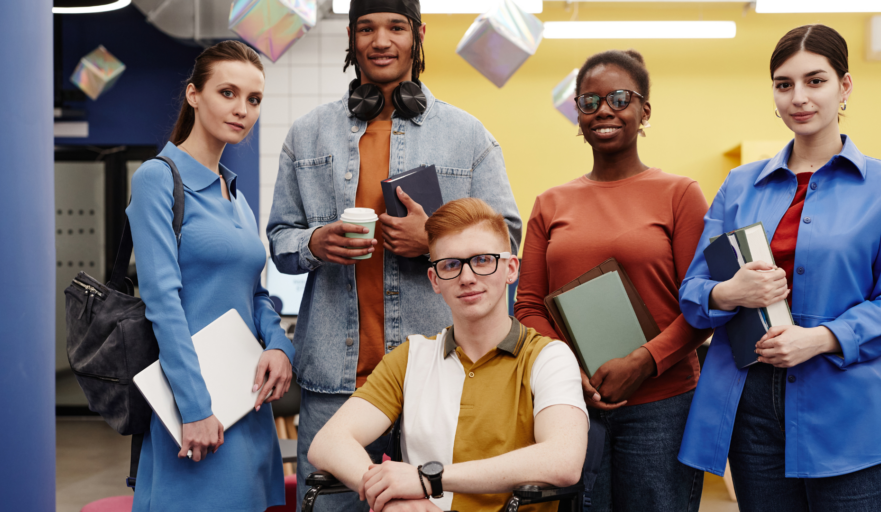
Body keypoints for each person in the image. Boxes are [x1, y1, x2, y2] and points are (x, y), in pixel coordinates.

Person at [266, 0, 521, 508]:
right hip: (334, 382)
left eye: (396, 27)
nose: (381, 40)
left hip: (434, 373)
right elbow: (280, 239)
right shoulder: (306, 134)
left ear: (418, 35)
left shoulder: (467, 134)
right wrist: (314, 243)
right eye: (366, 28)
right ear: (352, 39)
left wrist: (436, 241)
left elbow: (508, 239)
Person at [677, 25, 881, 511]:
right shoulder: (739, 185)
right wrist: (732, 292)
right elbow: (694, 291)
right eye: (784, 84)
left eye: (816, 81)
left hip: (848, 408)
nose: (799, 97)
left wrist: (820, 338)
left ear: (845, 86)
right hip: (751, 407)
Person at [513, 49, 711, 511]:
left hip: (664, 406)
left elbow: (702, 309)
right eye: (589, 101)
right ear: (577, 116)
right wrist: (570, 374)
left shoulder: (680, 195)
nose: (604, 110)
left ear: (644, 111)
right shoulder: (550, 203)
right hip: (573, 404)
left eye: (620, 98)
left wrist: (642, 362)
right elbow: (527, 307)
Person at [308, 198, 588, 512]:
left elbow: (564, 460)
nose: (467, 277)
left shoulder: (549, 357)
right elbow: (329, 441)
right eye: (451, 265)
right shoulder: (411, 356)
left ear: (511, 269)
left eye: (483, 260)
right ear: (435, 281)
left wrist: (429, 479)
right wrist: (394, 496)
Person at [126, 41, 296, 512]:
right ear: (194, 95)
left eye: (254, 99)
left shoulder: (233, 194)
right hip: (194, 405)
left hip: (246, 402)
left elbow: (256, 293)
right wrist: (195, 408)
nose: (242, 109)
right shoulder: (157, 180)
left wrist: (280, 346)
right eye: (228, 92)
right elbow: (163, 302)